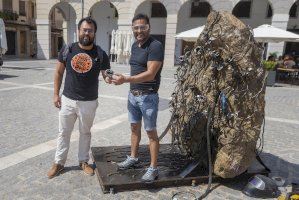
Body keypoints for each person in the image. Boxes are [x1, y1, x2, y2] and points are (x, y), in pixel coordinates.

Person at [47, 16, 111, 179]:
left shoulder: (100, 53)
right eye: (84, 30)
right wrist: (55, 94)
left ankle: (83, 161)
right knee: (64, 133)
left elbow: (106, 74)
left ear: (94, 33)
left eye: (90, 30)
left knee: (85, 132)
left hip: (89, 101)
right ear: (78, 31)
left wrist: (111, 78)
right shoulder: (68, 49)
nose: (87, 33)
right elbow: (59, 72)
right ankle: (59, 163)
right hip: (68, 99)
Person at [107, 13, 164, 183]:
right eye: (136, 27)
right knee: (134, 128)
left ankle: (153, 168)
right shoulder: (134, 45)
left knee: (151, 133)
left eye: (143, 27)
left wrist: (126, 80)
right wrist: (120, 76)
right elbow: (136, 70)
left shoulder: (155, 46)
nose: (139, 31)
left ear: (149, 28)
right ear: (132, 28)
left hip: (148, 97)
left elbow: (150, 74)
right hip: (133, 95)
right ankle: (133, 157)